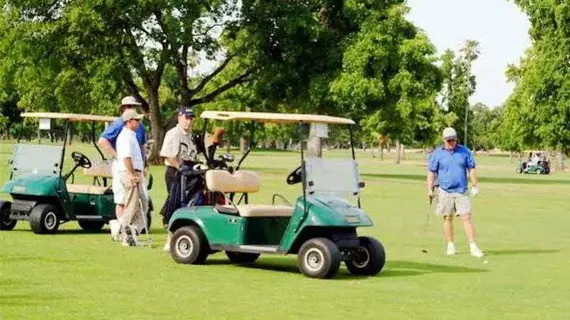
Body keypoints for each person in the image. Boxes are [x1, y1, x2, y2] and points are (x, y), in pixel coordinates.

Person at [427, 127, 484, 258]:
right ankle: (450, 245)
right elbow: (431, 172)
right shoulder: (437, 154)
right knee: (447, 217)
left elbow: (472, 169)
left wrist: (475, 185)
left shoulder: (465, 152)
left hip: (461, 190)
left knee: (466, 217)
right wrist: (429, 189)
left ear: (456, 139)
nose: (451, 143)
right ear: (444, 140)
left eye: (453, 140)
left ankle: (473, 246)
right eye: (448, 140)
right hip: (444, 190)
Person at [98, 96, 148, 240]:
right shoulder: (120, 124)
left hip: (136, 166)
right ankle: (122, 230)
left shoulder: (139, 126)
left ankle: (127, 230)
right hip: (125, 167)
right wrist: (118, 156)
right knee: (123, 199)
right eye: (128, 106)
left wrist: (142, 165)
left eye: (133, 106)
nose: (131, 108)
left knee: (140, 201)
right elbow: (102, 141)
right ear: (124, 108)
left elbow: (142, 146)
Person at [160, 106, 198, 252]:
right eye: (186, 118)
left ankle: (180, 237)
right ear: (179, 118)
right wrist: (180, 167)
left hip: (189, 174)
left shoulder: (189, 136)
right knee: (175, 205)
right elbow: (168, 155)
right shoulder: (173, 134)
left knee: (189, 205)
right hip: (175, 173)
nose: (189, 121)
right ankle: (170, 240)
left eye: (190, 119)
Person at [116, 109, 146, 246]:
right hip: (130, 173)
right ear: (129, 121)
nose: (139, 122)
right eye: (136, 120)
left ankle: (132, 232)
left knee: (142, 204)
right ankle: (124, 233)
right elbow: (126, 158)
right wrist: (133, 174)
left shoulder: (131, 135)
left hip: (134, 172)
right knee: (132, 205)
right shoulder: (126, 137)